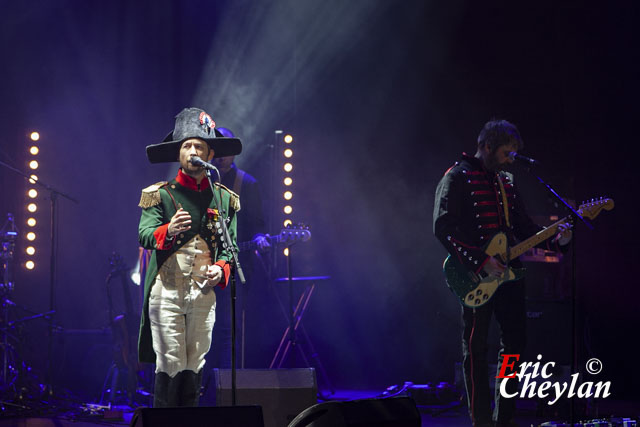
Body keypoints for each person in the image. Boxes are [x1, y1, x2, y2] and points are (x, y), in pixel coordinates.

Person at [433, 119, 571, 427]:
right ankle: (481, 421)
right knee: (476, 349)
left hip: (509, 276)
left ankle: (504, 418)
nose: (511, 159)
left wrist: (555, 240)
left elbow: (523, 228)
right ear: (486, 147)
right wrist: (481, 262)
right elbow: (443, 228)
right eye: (507, 153)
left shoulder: (505, 181)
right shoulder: (457, 177)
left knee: (515, 345)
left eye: (513, 154)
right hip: (475, 276)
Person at [137, 107, 242, 407]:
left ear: (210, 155)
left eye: (199, 146)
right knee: (170, 361)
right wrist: (168, 230)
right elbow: (144, 234)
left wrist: (221, 270)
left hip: (203, 294)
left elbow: (229, 248)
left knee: (195, 363)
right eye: (187, 146)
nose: (193, 151)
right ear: (179, 154)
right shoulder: (161, 194)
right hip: (166, 291)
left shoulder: (224, 198)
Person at [207, 126, 270, 369]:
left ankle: (226, 388)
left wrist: (260, 237)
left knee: (227, 328)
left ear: (234, 153)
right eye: (217, 150)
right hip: (202, 267)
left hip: (233, 268)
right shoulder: (202, 181)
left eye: (226, 150)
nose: (221, 155)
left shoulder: (247, 183)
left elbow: (257, 224)